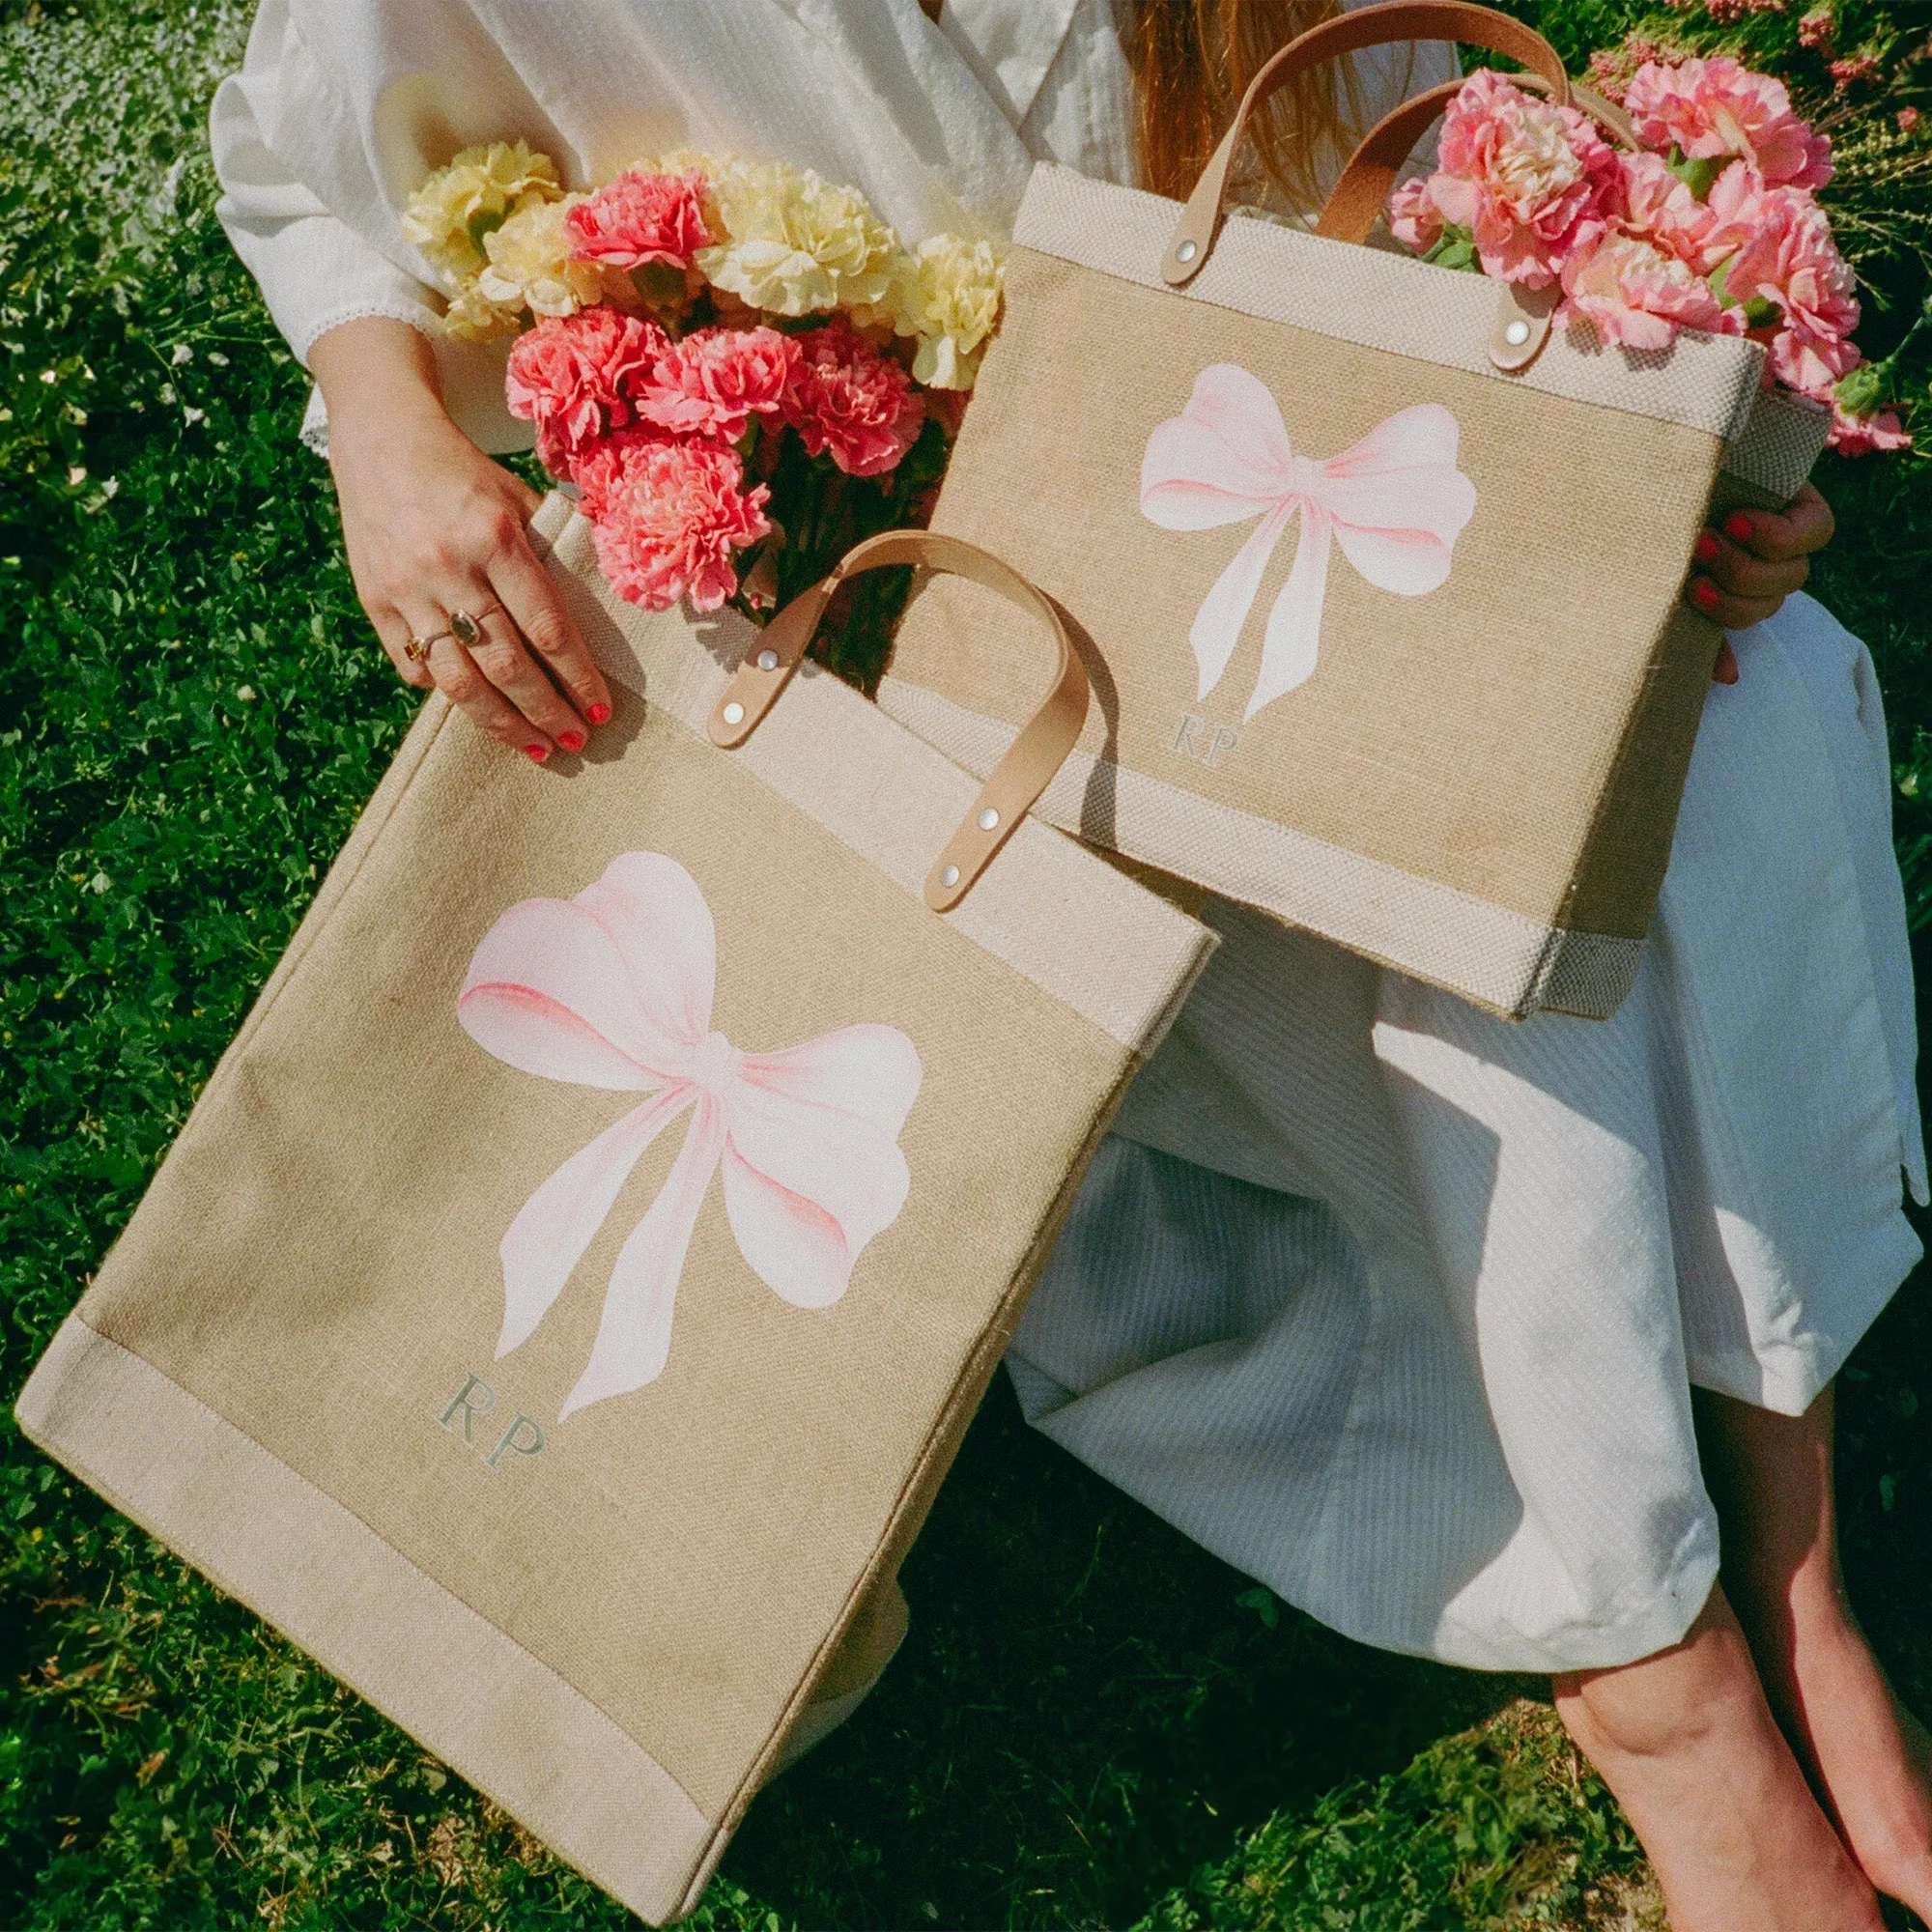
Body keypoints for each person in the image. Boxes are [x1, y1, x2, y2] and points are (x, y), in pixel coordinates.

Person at [209, 3, 1931, 1926]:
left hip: (1239, 451)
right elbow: (314, 156)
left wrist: (1682, 467)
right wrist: (384, 432)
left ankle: (1794, 1563)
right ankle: (1659, 1671)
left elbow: (1406, 165)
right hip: (912, 601)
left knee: (1732, 709)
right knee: (1457, 981)